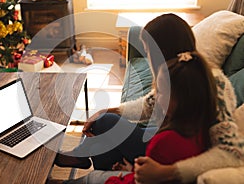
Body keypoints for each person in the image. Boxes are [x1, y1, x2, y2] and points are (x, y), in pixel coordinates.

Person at [55, 14, 244, 183]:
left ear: (162, 51)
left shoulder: (212, 85)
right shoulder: (178, 73)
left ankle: (94, 166)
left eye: (148, 51)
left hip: (176, 151)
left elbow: (232, 153)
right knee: (105, 120)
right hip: (169, 137)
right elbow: (150, 104)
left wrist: (167, 172)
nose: (147, 57)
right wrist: (111, 110)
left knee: (105, 124)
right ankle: (98, 165)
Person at [63, 51, 218, 184]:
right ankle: (80, 156)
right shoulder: (199, 124)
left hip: (124, 179)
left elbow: (144, 179)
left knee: (104, 127)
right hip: (133, 172)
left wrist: (131, 174)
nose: (155, 98)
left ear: (183, 98)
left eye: (161, 92)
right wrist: (133, 171)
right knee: (101, 139)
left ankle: (78, 157)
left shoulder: (164, 143)